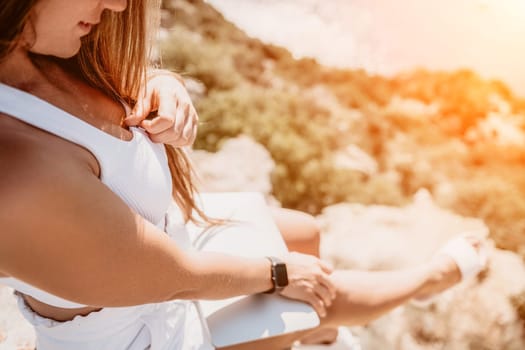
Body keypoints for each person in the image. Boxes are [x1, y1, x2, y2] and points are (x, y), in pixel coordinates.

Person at [0, 1, 487, 349]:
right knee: (311, 293)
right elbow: (174, 279)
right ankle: (428, 280)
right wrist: (276, 275)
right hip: (141, 325)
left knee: (306, 233)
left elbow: (95, 112)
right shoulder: (17, 173)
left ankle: (320, 333)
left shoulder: (44, 54)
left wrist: (158, 85)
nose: (119, 6)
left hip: (158, 242)